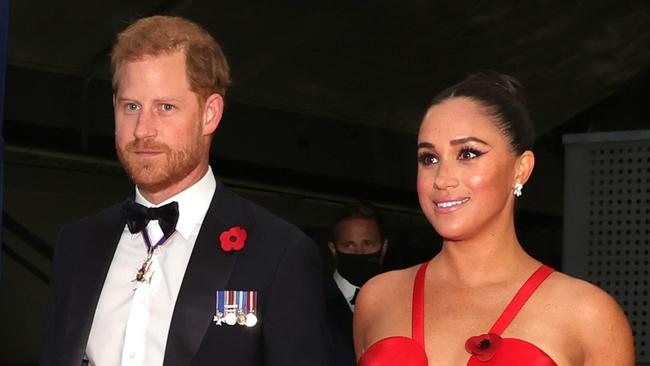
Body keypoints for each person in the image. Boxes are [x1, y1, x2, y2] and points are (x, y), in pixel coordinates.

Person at [41, 15, 329, 366]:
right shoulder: (77, 244)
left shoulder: (279, 253)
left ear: (209, 114)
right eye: (131, 106)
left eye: (165, 107)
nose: (142, 129)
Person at [353, 71, 635, 365]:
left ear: (521, 169)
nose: (442, 179)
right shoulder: (378, 298)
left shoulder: (588, 315)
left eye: (468, 153)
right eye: (429, 158)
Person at [325, 203, 388, 366]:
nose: (359, 253)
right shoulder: (311, 300)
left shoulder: (404, 300)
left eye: (368, 244)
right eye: (349, 245)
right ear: (333, 248)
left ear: (384, 247)